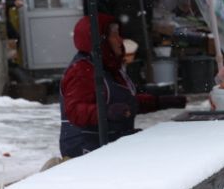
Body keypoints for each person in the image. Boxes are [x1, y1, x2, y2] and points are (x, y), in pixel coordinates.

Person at [59, 12, 184, 158]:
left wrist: (159, 102)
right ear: (100, 40)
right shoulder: (82, 71)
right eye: (114, 35)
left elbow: (125, 105)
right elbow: (75, 111)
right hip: (86, 151)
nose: (120, 40)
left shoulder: (109, 67)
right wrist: (107, 112)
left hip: (111, 143)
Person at [108, 0, 154, 83]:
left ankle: (126, 79)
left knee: (124, 55)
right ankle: (142, 80)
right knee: (141, 55)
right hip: (137, 28)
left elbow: (109, 9)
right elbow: (148, 7)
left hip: (121, 29)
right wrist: (148, 22)